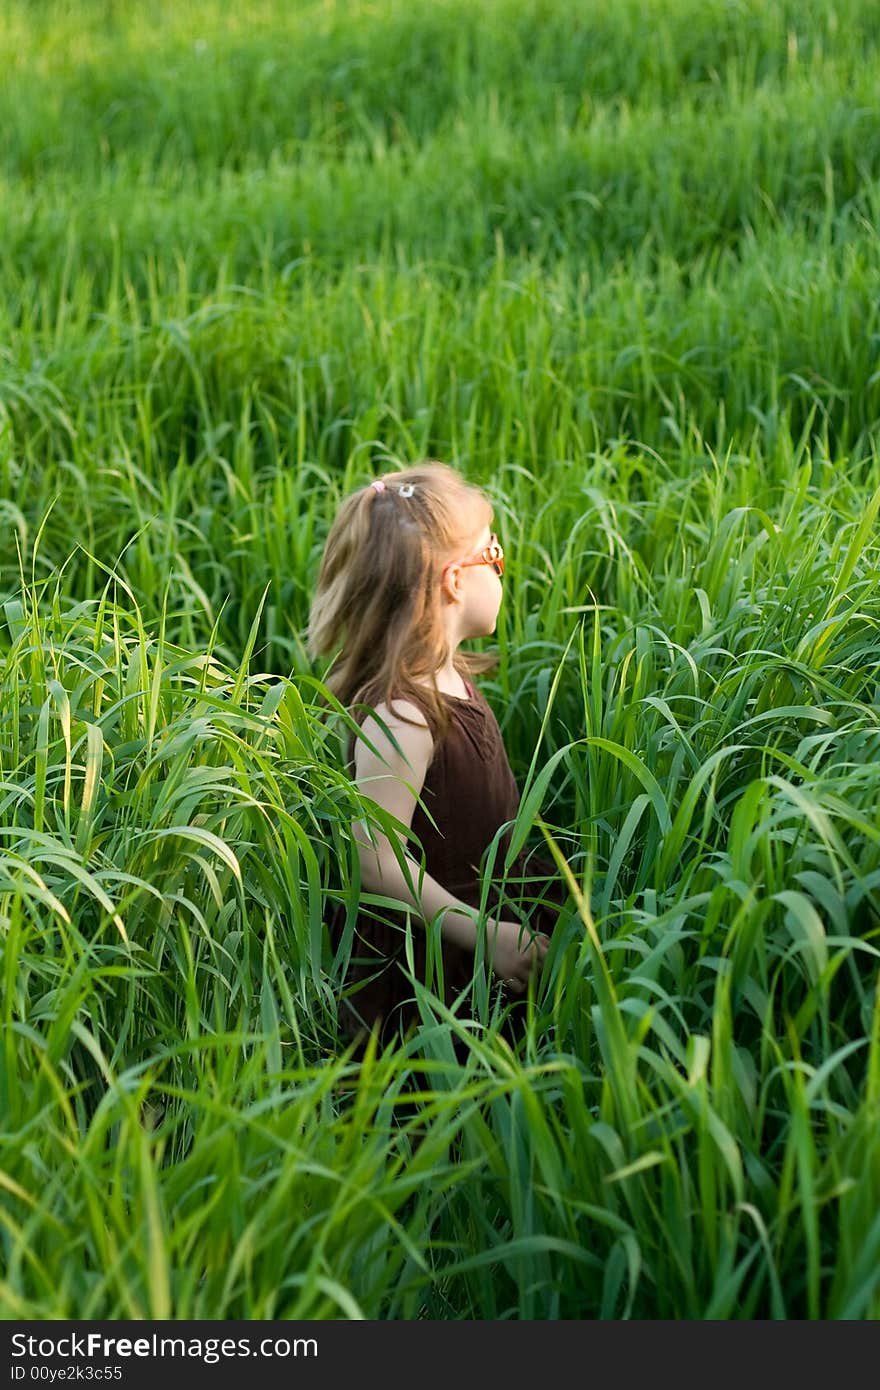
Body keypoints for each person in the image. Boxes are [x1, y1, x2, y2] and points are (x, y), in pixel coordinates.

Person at [308, 461, 561, 1049]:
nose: (502, 568)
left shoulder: (444, 680)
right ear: (453, 580)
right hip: (430, 981)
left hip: (482, 947)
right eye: (492, 554)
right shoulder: (403, 716)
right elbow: (374, 860)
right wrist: (484, 935)